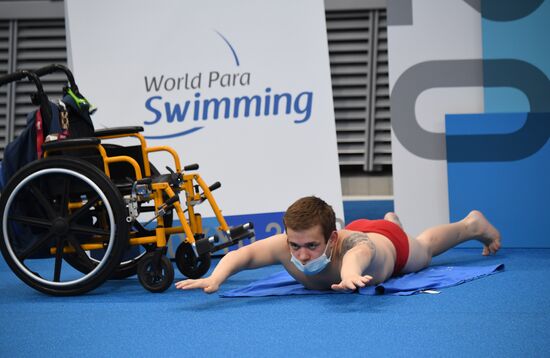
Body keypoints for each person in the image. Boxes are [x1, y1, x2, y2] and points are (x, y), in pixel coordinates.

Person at [175, 196, 501, 293]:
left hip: (388, 244)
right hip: (365, 235)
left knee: (425, 248)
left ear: (332, 238)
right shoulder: (285, 246)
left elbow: (361, 252)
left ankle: (471, 223)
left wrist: (349, 275)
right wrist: (217, 277)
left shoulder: (351, 244)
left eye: (312, 246)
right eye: (295, 245)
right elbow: (244, 255)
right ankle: (392, 218)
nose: (301, 255)